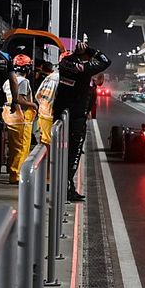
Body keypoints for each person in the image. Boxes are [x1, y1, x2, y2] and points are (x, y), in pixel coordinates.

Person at [55, 40, 111, 202]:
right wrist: (91, 49)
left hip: (61, 113)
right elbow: (106, 61)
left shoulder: (64, 62)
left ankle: (65, 185)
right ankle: (67, 186)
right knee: (74, 153)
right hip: (76, 117)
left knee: (61, 153)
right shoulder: (83, 68)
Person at [2, 55, 36, 184]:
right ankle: (16, 176)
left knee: (13, 147)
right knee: (21, 148)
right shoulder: (23, 81)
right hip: (21, 118)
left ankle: (12, 171)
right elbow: (20, 99)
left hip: (10, 117)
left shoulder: (8, 80)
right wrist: (33, 105)